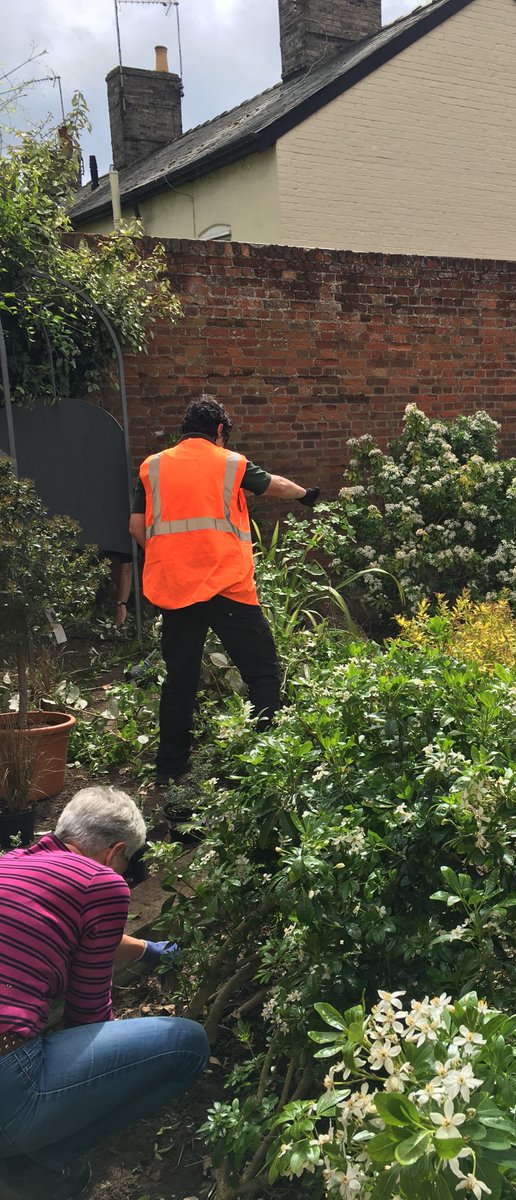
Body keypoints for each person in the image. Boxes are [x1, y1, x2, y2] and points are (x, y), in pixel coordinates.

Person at [0, 787, 208, 1200]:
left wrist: (148, 950)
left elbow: (80, 931)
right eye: (127, 863)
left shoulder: (11, 866)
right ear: (115, 852)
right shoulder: (102, 882)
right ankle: (32, 1167)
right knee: (187, 1044)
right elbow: (87, 1013)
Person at [129, 396, 320, 782]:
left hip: (178, 591)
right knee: (262, 672)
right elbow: (276, 486)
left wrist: (173, 555)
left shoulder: (152, 467)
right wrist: (305, 495)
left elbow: (136, 527)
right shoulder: (230, 461)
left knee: (179, 681)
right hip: (227, 589)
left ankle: (169, 770)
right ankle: (270, 762)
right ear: (219, 430)